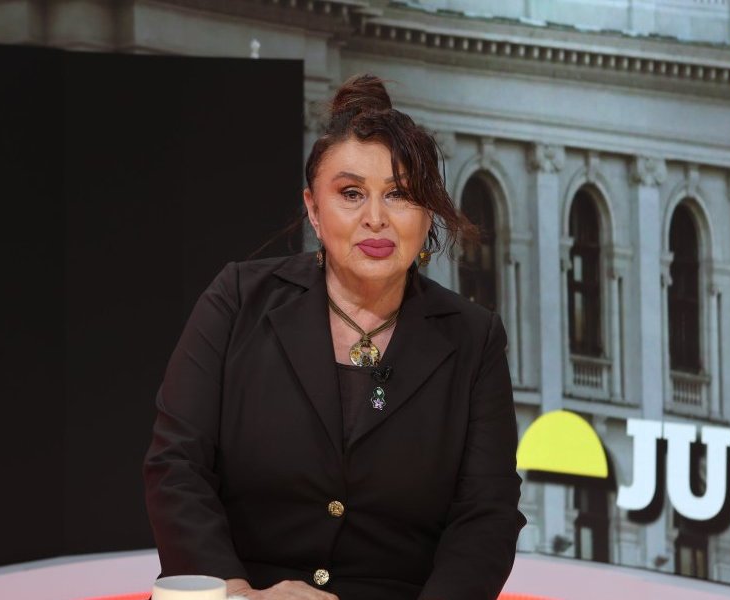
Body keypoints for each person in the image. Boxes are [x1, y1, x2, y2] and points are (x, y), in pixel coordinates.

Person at [143, 73, 525, 600]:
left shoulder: (473, 339)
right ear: (313, 209)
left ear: (428, 214)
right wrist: (237, 596)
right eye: (351, 194)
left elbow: (487, 516)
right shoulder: (237, 300)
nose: (376, 219)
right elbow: (177, 467)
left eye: (399, 195)